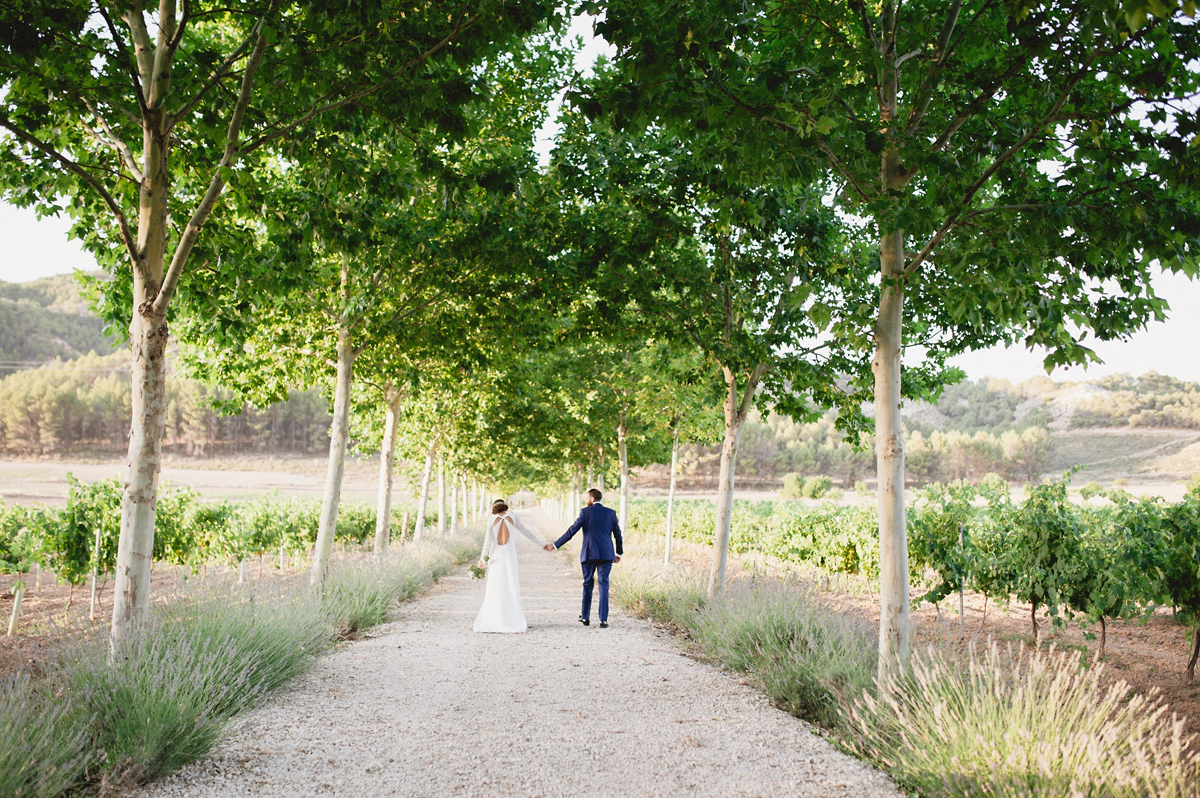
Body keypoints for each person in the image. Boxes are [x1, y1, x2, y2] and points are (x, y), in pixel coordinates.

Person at [544, 488, 623, 628]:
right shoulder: (611, 513)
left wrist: (555, 545)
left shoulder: (585, 512)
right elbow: (618, 535)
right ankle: (603, 619)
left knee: (588, 584)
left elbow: (572, 531)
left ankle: (585, 617)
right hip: (606, 554)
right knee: (604, 584)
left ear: (592, 499)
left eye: (587, 498)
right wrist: (618, 553)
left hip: (589, 554)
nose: (586, 500)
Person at [473, 499, 550, 634]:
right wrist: (542, 544)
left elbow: (488, 542)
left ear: (494, 508)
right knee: (510, 585)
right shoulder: (512, 517)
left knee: (495, 587)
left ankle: (494, 618)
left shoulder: (492, 519)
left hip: (495, 556)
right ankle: (512, 619)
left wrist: (482, 561)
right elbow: (527, 533)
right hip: (509, 557)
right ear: (505, 507)